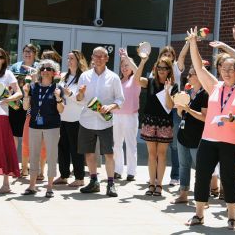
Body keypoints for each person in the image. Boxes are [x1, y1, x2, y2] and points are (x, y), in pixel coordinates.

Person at [185, 27, 235, 230]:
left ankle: (232, 216)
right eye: (223, 69)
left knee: (227, 177)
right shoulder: (214, 86)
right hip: (209, 139)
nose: (227, 72)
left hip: (232, 142)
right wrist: (192, 42)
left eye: (231, 69)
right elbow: (198, 67)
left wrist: (233, 117)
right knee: (202, 175)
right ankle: (198, 214)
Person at [76, 47, 124, 197]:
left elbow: (120, 99)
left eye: (101, 56)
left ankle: (110, 184)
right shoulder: (84, 76)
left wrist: (110, 106)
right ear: (92, 57)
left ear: (107, 59)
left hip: (106, 122)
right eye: (96, 56)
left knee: (109, 154)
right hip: (87, 120)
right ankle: (93, 182)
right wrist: (81, 94)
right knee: (89, 153)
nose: (98, 59)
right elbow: (78, 100)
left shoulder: (114, 77)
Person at [135, 49, 178, 196]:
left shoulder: (174, 85)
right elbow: (136, 80)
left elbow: (171, 106)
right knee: (151, 154)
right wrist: (142, 61)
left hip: (165, 123)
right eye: (159, 68)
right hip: (150, 121)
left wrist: (167, 91)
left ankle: (159, 184)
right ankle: (151, 183)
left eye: (164, 68)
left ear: (169, 70)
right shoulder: (150, 82)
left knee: (162, 154)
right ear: (156, 69)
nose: (161, 71)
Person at [22, 59, 64, 198]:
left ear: (53, 73)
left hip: (52, 126)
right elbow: (25, 107)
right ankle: (32, 186)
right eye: (43, 69)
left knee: (51, 155)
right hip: (34, 125)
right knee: (33, 154)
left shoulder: (57, 88)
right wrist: (26, 94)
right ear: (40, 72)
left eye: (49, 69)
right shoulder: (33, 87)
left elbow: (61, 110)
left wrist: (58, 98)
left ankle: (49, 187)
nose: (45, 71)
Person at [171, 66, 208, 204]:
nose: (188, 77)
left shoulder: (205, 94)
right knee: (183, 165)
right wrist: (181, 109)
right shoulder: (188, 92)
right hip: (183, 134)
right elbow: (182, 114)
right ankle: (183, 194)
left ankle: (202, 199)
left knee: (200, 169)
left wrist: (188, 109)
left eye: (190, 74)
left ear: (198, 75)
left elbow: (205, 117)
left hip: (197, 137)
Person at [53, 50, 88, 187]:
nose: (69, 61)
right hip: (64, 117)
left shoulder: (83, 78)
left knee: (76, 149)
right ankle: (64, 175)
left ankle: (79, 177)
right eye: (68, 58)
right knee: (63, 148)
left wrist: (71, 93)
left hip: (77, 118)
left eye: (72, 58)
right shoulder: (63, 77)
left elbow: (83, 100)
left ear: (78, 60)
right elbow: (61, 94)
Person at [157, 44, 188, 186]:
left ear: (173, 57)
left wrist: (188, 42)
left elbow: (182, 56)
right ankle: (156, 175)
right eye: (165, 54)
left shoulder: (176, 67)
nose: (167, 57)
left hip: (175, 109)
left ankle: (175, 176)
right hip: (161, 110)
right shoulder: (157, 69)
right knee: (159, 143)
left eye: (170, 55)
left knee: (175, 145)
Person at [0, 46, 22, 193]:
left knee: (3, 148)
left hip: (0, 116)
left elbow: (19, 93)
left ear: (4, 59)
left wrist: (7, 100)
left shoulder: (8, 74)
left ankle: (6, 183)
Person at [10, 44, 42, 177]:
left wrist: (34, 72)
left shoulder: (40, 67)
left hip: (32, 105)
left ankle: (29, 166)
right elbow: (10, 83)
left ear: (35, 53)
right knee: (14, 135)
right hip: (16, 104)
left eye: (30, 51)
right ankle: (13, 165)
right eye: (25, 51)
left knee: (31, 137)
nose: (27, 53)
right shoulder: (15, 66)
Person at [112, 48, 141, 181]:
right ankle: (118, 170)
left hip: (130, 116)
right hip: (116, 116)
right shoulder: (117, 80)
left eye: (127, 65)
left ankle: (131, 172)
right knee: (117, 144)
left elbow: (137, 70)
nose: (124, 68)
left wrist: (127, 57)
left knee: (130, 144)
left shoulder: (135, 80)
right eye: (122, 65)